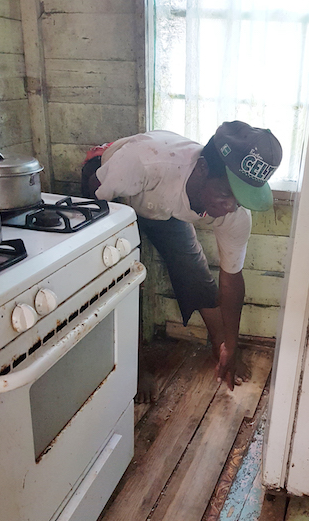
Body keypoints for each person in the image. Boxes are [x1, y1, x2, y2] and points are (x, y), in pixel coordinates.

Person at [81, 121, 282, 394]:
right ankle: (131, 366)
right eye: (225, 194)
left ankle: (218, 345)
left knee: (192, 268)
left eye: (240, 200)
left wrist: (232, 346)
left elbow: (231, 279)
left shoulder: (233, 213)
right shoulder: (145, 161)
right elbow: (93, 203)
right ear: (202, 169)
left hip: (163, 205)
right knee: (124, 279)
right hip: (112, 189)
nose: (229, 207)